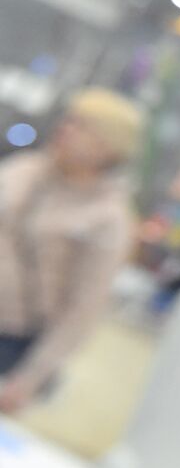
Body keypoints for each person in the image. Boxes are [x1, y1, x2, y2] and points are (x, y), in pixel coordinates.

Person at [0, 87, 143, 413]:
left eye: (83, 126)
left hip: (12, 339)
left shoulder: (109, 218)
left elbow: (83, 309)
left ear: (108, 147)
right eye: (69, 120)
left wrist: (29, 379)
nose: (66, 129)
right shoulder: (22, 170)